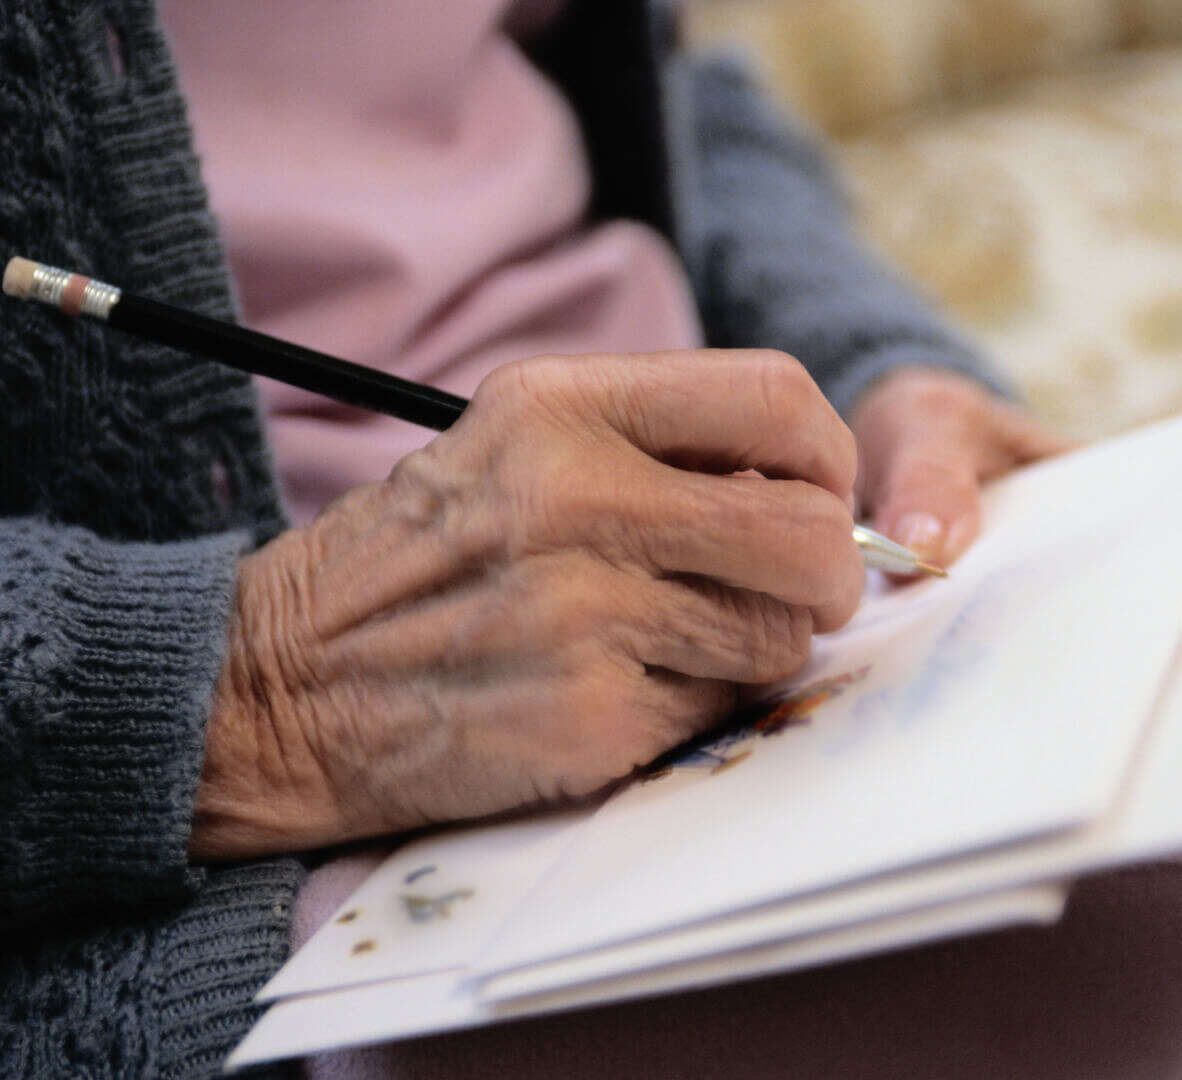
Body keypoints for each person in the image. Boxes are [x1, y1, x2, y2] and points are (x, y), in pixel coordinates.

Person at [0, 2, 1067, 1077]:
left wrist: (869, 355)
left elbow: (673, 99)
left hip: (730, 590)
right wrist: (251, 687)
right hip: (276, 879)